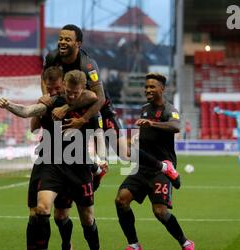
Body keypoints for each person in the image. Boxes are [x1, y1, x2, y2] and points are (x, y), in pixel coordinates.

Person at [0, 70, 114, 250]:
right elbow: (27, 111)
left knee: (87, 219)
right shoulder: (53, 103)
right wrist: (9, 106)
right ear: (65, 88)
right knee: (42, 208)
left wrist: (102, 159)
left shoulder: (90, 107)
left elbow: (98, 134)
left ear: (82, 90)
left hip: (78, 166)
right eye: (68, 92)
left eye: (75, 93)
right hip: (52, 164)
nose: (70, 96)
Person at [43, 24, 180, 189]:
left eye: (67, 39)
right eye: (60, 39)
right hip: (76, 108)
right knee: (70, 150)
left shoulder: (88, 65)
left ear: (78, 43)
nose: (62, 42)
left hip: (100, 109)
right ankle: (96, 170)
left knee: (124, 153)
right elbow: (45, 78)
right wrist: (46, 96)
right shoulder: (52, 57)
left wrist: (81, 118)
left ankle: (165, 167)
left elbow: (98, 98)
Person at [113, 73, 195, 250]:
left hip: (162, 168)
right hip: (142, 167)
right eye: (146, 87)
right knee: (121, 200)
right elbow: (144, 135)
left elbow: (175, 126)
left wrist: (152, 123)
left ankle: (186, 244)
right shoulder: (144, 109)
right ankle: (134, 246)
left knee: (160, 212)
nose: (148, 90)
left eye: (152, 87)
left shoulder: (169, 109)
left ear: (162, 89)